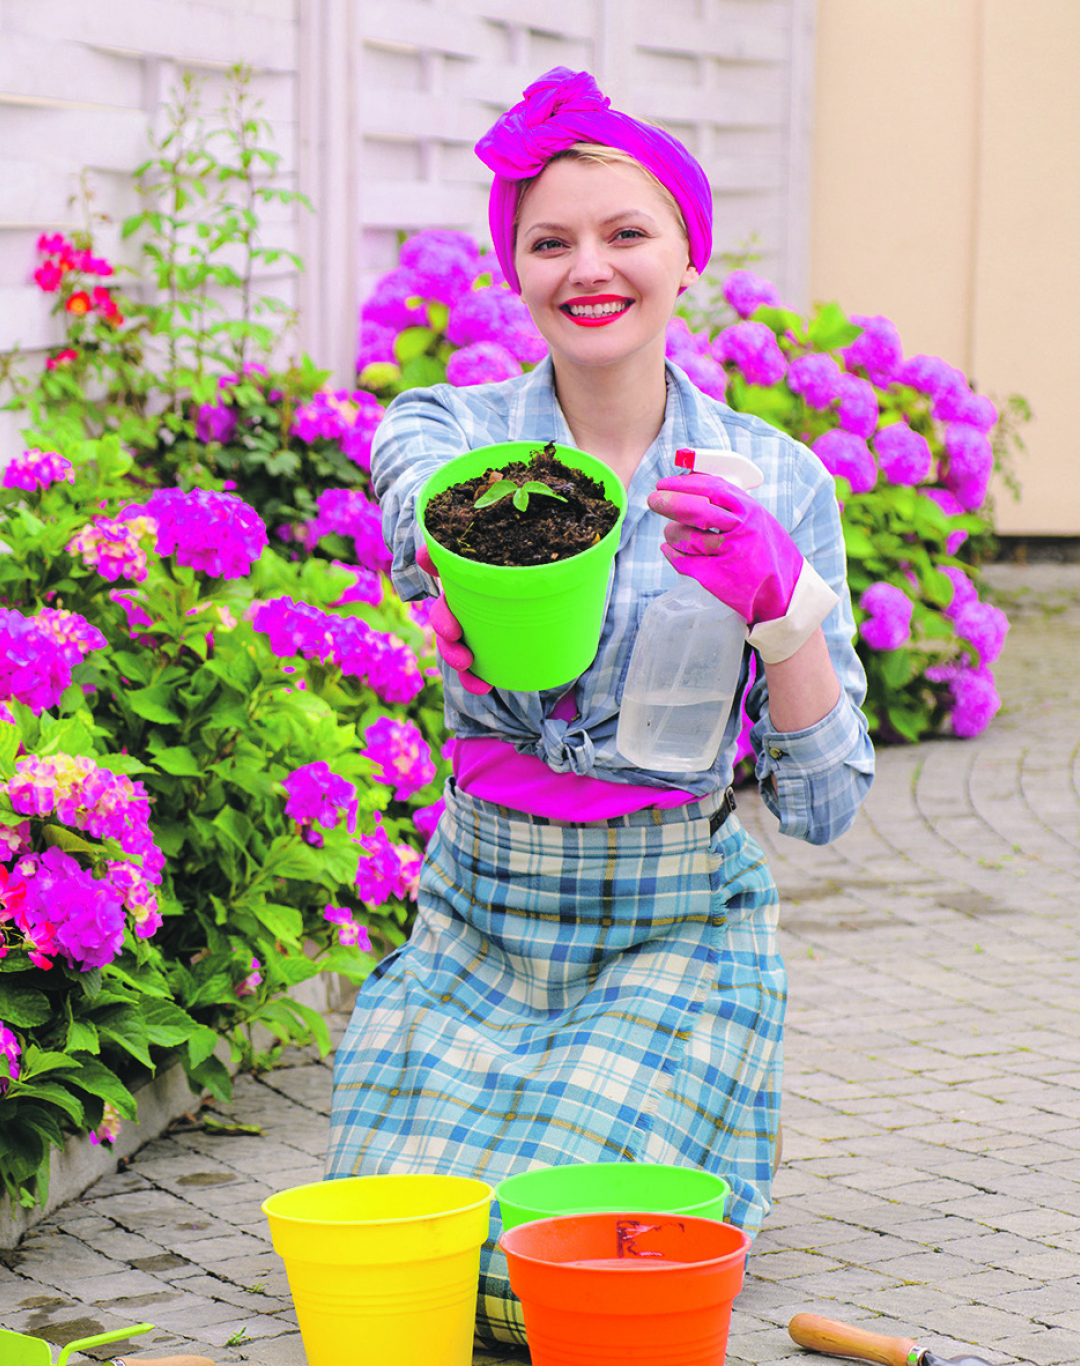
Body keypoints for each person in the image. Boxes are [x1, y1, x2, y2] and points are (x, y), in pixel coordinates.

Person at [325, 67, 876, 1345]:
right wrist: (456, 556)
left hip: (670, 928)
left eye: (626, 232)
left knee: (531, 1288)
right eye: (549, 240)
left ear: (686, 254)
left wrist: (778, 607)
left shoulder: (773, 484)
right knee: (406, 1260)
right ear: (512, 269)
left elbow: (827, 801)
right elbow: (406, 472)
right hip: (479, 918)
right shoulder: (461, 431)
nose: (590, 265)